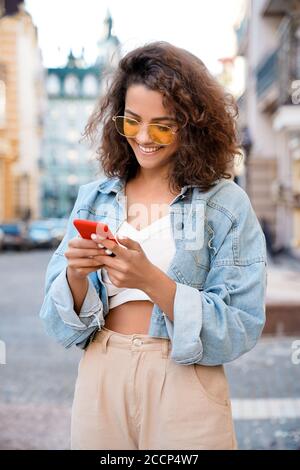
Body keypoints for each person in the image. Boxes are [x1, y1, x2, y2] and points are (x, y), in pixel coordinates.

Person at [39, 41, 267, 450]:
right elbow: (59, 324)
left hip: (186, 377)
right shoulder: (95, 197)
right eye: (132, 121)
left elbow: (241, 325)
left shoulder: (225, 204)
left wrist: (152, 282)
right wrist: (75, 274)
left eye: (162, 125)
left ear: (192, 124)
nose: (144, 137)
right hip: (101, 373)